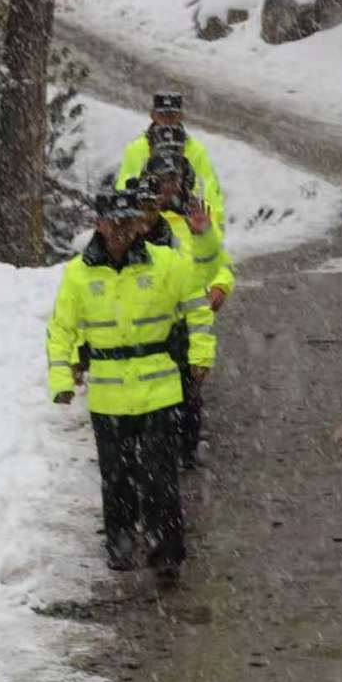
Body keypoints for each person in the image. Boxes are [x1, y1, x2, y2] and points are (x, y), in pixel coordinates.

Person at [47, 189, 216, 576]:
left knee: (160, 477)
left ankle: (166, 553)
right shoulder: (78, 275)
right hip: (108, 394)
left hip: (159, 388)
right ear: (99, 224)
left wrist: (200, 355)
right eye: (115, 222)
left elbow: (198, 304)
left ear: (141, 223)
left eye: (130, 221)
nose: (123, 230)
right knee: (117, 476)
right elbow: (61, 330)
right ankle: (120, 544)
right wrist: (61, 377)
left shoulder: (166, 264)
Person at [137, 149, 235, 468]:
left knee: (187, 389)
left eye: (172, 179)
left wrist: (219, 286)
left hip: (188, 309)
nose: (167, 187)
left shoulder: (195, 217)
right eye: (160, 180)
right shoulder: (138, 219)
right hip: (148, 316)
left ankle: (186, 448)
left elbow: (217, 260)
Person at [115, 92, 225, 232]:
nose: (167, 120)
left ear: (181, 116)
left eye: (172, 115)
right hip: (148, 225)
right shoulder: (135, 149)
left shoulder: (196, 150)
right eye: (162, 115)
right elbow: (125, 185)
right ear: (153, 115)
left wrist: (216, 221)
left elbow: (209, 186)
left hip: (187, 223)